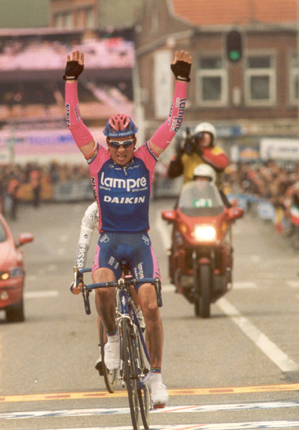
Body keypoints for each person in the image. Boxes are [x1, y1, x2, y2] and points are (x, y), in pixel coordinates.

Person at [64, 48, 192, 408]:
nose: (121, 151)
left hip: (138, 241)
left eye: (127, 144)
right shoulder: (97, 159)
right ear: (108, 144)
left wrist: (181, 81)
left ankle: (157, 379)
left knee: (150, 307)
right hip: (108, 240)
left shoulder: (148, 159)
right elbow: (74, 122)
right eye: (115, 145)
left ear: (136, 142)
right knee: (102, 290)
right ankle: (112, 340)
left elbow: (173, 123)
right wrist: (71, 80)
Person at [70, 201, 146, 375]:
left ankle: (137, 311)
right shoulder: (93, 211)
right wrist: (78, 276)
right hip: (108, 254)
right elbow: (83, 245)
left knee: (132, 279)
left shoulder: (129, 201)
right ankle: (104, 349)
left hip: (131, 251)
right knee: (103, 295)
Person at [167, 122, 228, 189]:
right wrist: (180, 152)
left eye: (207, 136)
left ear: (212, 138)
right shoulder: (188, 154)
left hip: (213, 192)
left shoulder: (217, 152)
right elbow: (172, 174)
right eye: (201, 136)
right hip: (189, 193)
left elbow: (222, 164)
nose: (204, 139)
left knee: (224, 199)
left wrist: (200, 151)